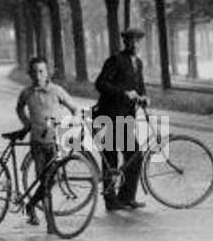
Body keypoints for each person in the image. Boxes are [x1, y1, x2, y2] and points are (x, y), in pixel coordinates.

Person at [16, 55, 78, 227]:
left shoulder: (57, 91)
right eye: (34, 72)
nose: (38, 75)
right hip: (37, 143)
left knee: (50, 181)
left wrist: (71, 126)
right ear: (29, 74)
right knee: (44, 180)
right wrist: (27, 124)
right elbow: (19, 108)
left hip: (55, 142)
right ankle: (50, 223)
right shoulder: (26, 93)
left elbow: (74, 109)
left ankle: (31, 205)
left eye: (41, 71)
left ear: (47, 72)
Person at [93, 27, 148, 211]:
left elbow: (139, 86)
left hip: (125, 117)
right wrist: (124, 93)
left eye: (137, 40)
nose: (135, 44)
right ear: (125, 42)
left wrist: (144, 97)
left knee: (134, 156)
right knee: (110, 159)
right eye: (131, 40)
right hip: (107, 115)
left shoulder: (138, 63)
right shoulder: (115, 60)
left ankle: (126, 197)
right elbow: (101, 83)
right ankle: (111, 201)